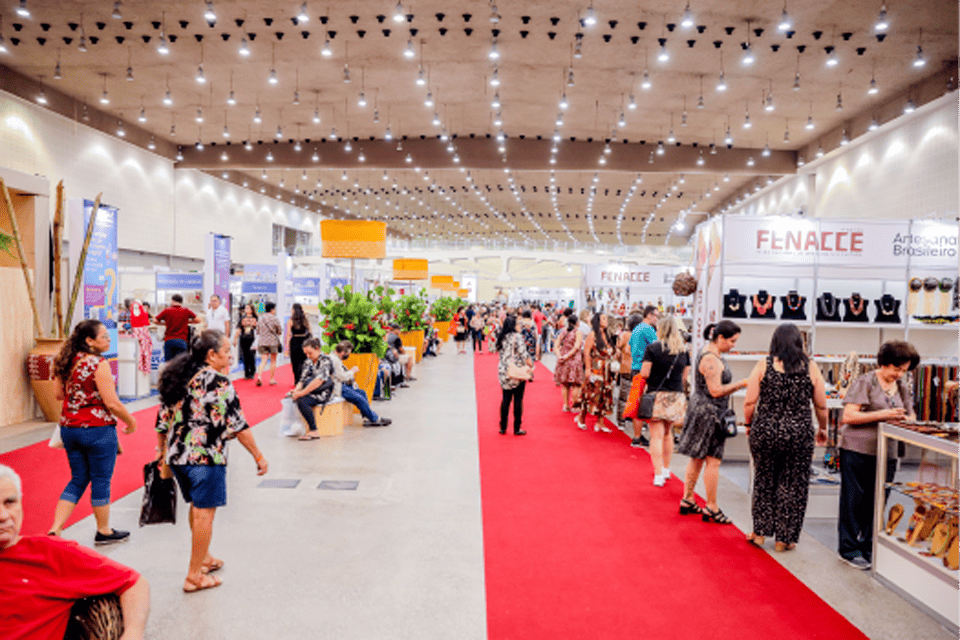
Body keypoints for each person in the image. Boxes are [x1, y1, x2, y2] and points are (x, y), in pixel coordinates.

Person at [156, 330, 268, 592]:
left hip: (178, 458)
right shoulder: (219, 382)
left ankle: (203, 557)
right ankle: (195, 576)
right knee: (205, 514)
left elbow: (162, 421)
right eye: (227, 351)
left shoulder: (177, 377)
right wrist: (259, 456)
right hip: (206, 458)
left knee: (197, 508)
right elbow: (238, 425)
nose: (230, 355)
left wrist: (161, 453)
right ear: (211, 355)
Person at [0, 465, 150, 640]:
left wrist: (133, 633)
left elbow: (134, 583)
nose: (3, 515)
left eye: (10, 502)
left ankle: (102, 528)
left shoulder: (49, 553)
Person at [47, 319, 138, 544]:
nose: (109, 339)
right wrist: (131, 421)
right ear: (90, 341)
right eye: (105, 336)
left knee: (77, 478)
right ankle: (104, 530)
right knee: (100, 479)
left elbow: (59, 395)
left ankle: (55, 529)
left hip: (70, 429)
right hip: (98, 431)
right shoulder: (98, 364)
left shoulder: (63, 361)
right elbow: (112, 403)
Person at [743, 324, 829, 551]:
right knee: (794, 484)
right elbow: (821, 405)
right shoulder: (810, 367)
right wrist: (823, 428)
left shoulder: (764, 364)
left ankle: (759, 532)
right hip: (799, 433)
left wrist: (749, 424)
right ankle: (784, 538)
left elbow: (750, 401)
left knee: (764, 480)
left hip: (766, 430)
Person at [838, 340, 919, 570]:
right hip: (857, 449)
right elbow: (849, 416)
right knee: (854, 500)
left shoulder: (901, 386)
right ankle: (849, 548)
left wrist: (905, 419)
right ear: (884, 363)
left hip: (887, 452)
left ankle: (869, 546)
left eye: (903, 370)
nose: (899, 374)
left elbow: (910, 414)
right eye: (896, 368)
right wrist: (885, 414)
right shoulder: (866, 381)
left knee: (878, 500)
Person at [677, 321, 748, 525]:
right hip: (709, 413)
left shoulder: (709, 353)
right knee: (712, 460)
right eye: (732, 341)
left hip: (704, 410)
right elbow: (716, 390)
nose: (734, 345)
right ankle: (712, 506)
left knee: (697, 458)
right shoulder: (711, 359)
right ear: (720, 338)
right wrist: (741, 384)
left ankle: (688, 499)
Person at [638, 317, 691, 486]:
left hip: (657, 395)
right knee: (669, 434)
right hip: (676, 396)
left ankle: (658, 474)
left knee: (656, 437)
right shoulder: (683, 351)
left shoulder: (653, 348)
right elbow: (685, 377)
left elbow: (645, 373)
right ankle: (667, 469)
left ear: (660, 330)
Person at [329, 341, 391, 426]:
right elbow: (342, 377)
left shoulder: (335, 358)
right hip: (337, 388)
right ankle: (375, 419)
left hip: (341, 385)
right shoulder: (334, 360)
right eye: (348, 353)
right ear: (343, 352)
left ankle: (367, 417)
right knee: (359, 398)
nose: (349, 355)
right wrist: (352, 371)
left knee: (362, 393)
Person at [290, 338, 338, 439]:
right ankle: (300, 428)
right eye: (306, 354)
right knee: (295, 397)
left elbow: (319, 381)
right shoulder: (308, 361)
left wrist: (301, 393)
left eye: (310, 353)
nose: (308, 356)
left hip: (325, 392)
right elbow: (302, 379)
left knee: (302, 400)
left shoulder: (326, 360)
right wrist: (297, 390)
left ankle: (313, 430)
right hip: (312, 389)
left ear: (317, 349)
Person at [575, 313, 614, 432]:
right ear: (597, 321)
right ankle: (581, 418)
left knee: (604, 395)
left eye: (606, 318)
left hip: (606, 370)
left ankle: (600, 422)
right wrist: (587, 369)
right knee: (591, 393)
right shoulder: (593, 335)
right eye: (604, 318)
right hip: (596, 367)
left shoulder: (607, 335)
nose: (606, 321)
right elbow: (586, 352)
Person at [628, 305, 660, 447]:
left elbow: (629, 348)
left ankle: (637, 436)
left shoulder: (636, 328)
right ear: (649, 315)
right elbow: (658, 347)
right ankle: (641, 436)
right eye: (656, 316)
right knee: (645, 403)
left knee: (637, 401)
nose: (657, 319)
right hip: (645, 369)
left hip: (635, 368)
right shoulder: (648, 329)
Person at [497, 315, 532, 436]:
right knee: (518, 399)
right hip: (517, 372)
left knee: (505, 398)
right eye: (517, 324)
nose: (519, 326)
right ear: (513, 325)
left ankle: (503, 427)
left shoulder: (501, 337)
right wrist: (530, 364)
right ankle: (517, 428)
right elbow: (524, 354)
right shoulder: (517, 337)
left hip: (504, 371)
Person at [615, 313, 641, 432]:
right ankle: (640, 422)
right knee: (638, 397)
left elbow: (618, 349)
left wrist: (620, 358)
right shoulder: (642, 335)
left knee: (623, 397)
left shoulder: (625, 335)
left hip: (626, 368)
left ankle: (621, 421)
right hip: (639, 369)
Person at [553, 315, 584, 412]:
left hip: (563, 360)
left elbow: (556, 345)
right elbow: (576, 347)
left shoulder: (563, 331)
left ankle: (565, 405)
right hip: (574, 360)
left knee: (565, 384)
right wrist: (567, 356)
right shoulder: (578, 332)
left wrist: (560, 356)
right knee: (576, 384)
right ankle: (575, 405)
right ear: (577, 323)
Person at [155, 293, 198, 362]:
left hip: (169, 340)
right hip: (182, 341)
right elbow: (198, 320)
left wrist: (164, 323)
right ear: (181, 302)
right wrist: (187, 322)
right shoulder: (186, 310)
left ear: (172, 301)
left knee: (169, 364)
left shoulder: (167, 310)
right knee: (180, 364)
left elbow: (155, 320)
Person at [255, 301, 283, 386]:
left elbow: (257, 331)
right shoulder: (274, 318)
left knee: (263, 360)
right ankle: (271, 379)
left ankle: (259, 377)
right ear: (272, 310)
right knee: (273, 361)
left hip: (262, 342)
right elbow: (280, 331)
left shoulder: (260, 318)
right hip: (273, 342)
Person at [285, 303, 311, 386]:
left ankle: (297, 380)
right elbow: (310, 332)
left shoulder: (290, 321)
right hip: (304, 342)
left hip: (294, 341)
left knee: (295, 361)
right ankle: (303, 380)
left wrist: (287, 346)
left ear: (293, 310)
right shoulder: (305, 320)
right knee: (303, 361)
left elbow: (288, 334)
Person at [233, 303, 258, 380]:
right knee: (245, 356)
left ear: (251, 310)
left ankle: (252, 372)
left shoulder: (255, 318)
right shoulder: (242, 318)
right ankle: (246, 373)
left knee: (252, 356)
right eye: (246, 308)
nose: (246, 309)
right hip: (243, 339)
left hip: (252, 339)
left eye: (248, 308)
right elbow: (239, 329)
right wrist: (235, 339)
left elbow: (258, 329)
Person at [519, 310, 540, 380]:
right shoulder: (533, 323)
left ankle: (523, 374)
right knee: (531, 357)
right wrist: (536, 341)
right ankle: (531, 375)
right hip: (532, 342)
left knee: (522, 357)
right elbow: (536, 333)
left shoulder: (521, 322)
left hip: (522, 341)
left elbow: (518, 331)